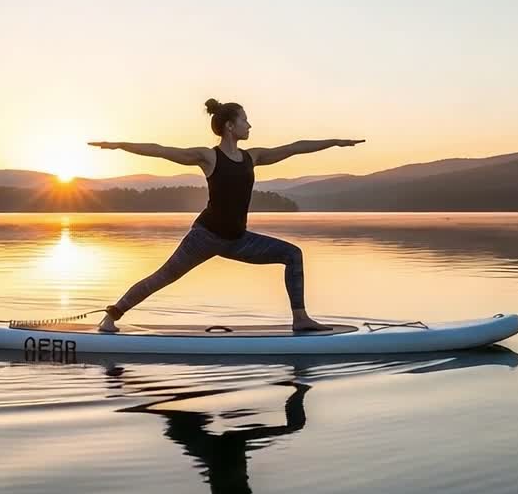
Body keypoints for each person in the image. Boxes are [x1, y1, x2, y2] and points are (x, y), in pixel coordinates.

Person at [88, 98, 364, 333]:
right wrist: (119, 145)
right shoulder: (209, 157)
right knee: (163, 276)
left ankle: (301, 319)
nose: (250, 125)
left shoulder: (252, 157)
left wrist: (335, 142)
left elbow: (293, 147)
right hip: (204, 237)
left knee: (292, 255)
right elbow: (161, 151)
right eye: (245, 120)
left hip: (238, 240)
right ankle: (111, 317)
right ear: (230, 126)